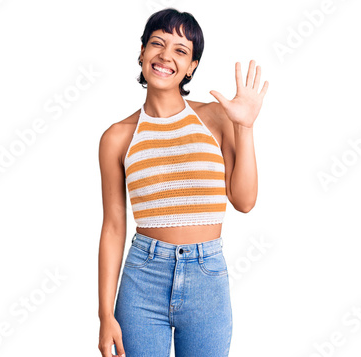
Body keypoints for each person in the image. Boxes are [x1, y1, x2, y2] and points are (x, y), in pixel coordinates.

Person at [97, 7, 268, 357]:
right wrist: (104, 314)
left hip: (207, 277)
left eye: (180, 50)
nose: (165, 56)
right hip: (142, 280)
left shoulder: (216, 118)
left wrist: (245, 127)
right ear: (142, 52)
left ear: (191, 67)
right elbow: (114, 228)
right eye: (157, 43)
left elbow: (244, 200)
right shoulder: (117, 137)